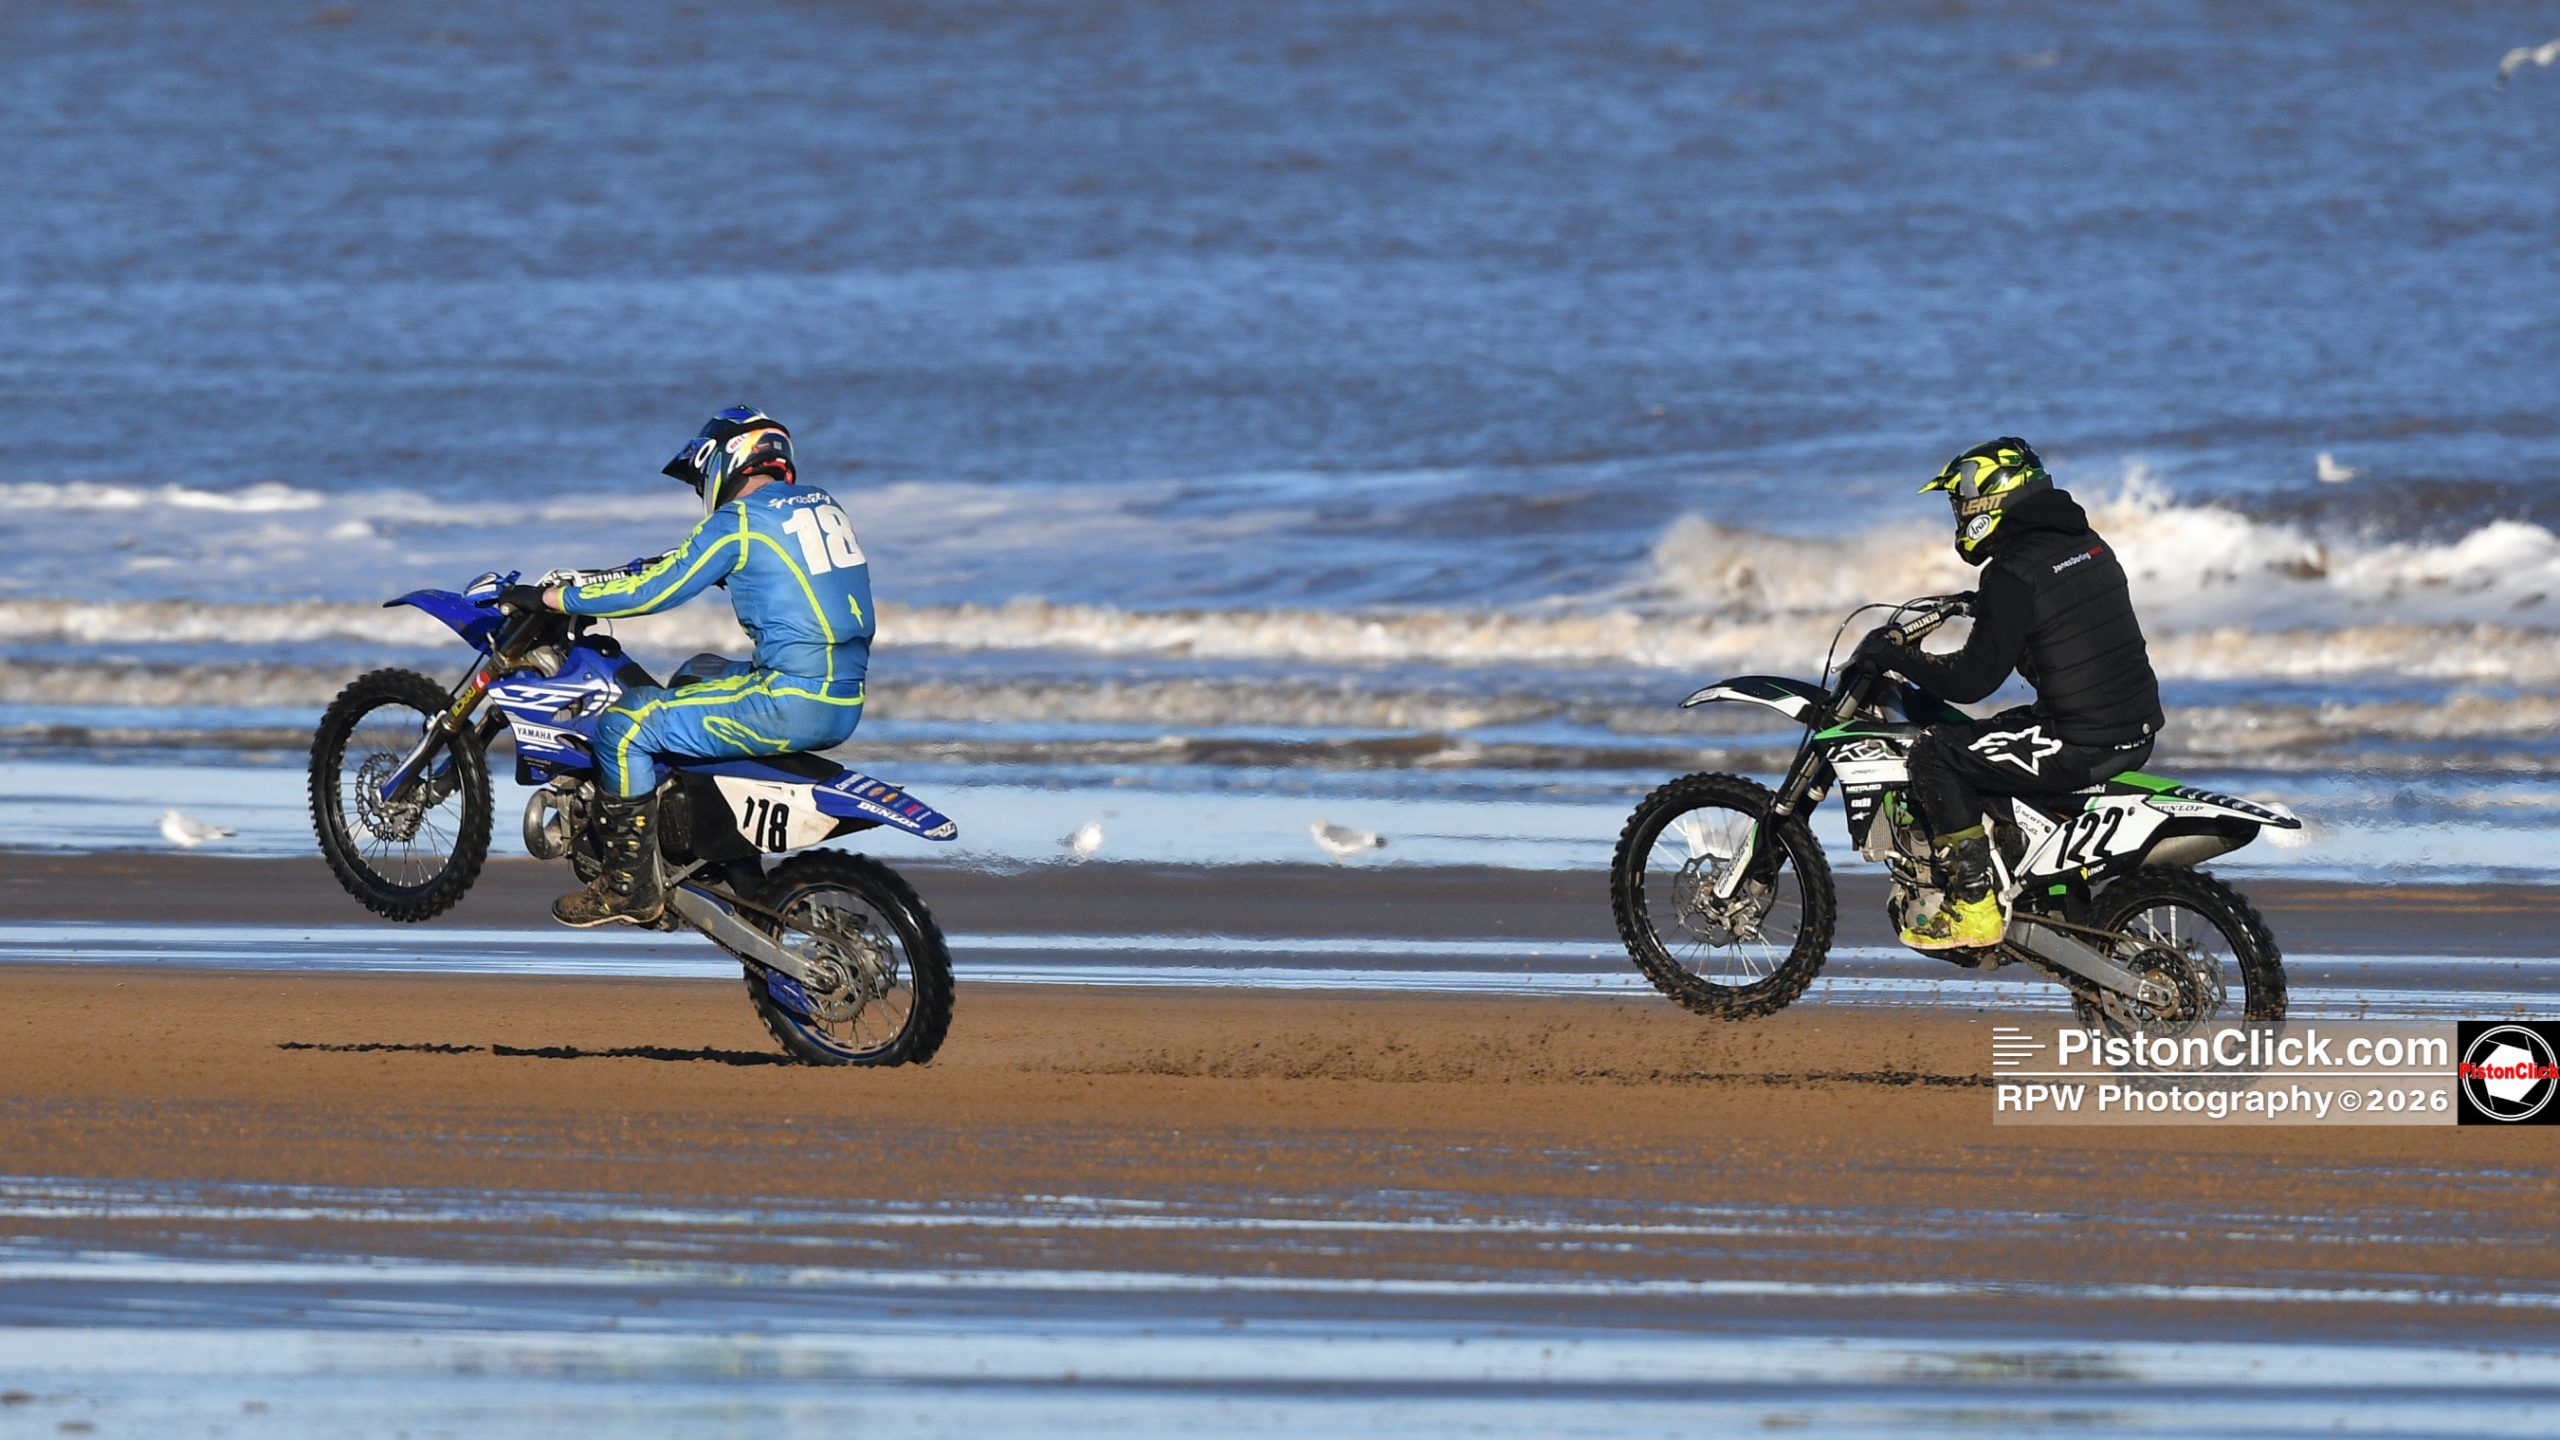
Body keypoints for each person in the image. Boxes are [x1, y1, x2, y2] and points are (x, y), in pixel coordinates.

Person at [500, 406, 875, 928]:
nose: (703, 488)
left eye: (702, 476)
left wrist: (555, 598)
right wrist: (622, 573)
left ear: (726, 461)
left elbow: (656, 590)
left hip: (789, 701)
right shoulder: (817, 509)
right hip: (842, 698)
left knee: (625, 726)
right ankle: (727, 859)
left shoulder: (738, 522)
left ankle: (627, 887)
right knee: (697, 671)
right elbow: (702, 565)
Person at [1857, 437, 2163, 951]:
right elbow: (2064, 623)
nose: (1956, 515)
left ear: (1989, 500)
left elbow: (1971, 682)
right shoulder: (2085, 543)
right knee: (1985, 740)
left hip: (2078, 740)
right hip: (2133, 728)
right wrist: (1987, 609)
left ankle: (1975, 907)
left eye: (1959, 503)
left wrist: (1894, 654)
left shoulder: (2013, 571)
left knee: (1935, 755)